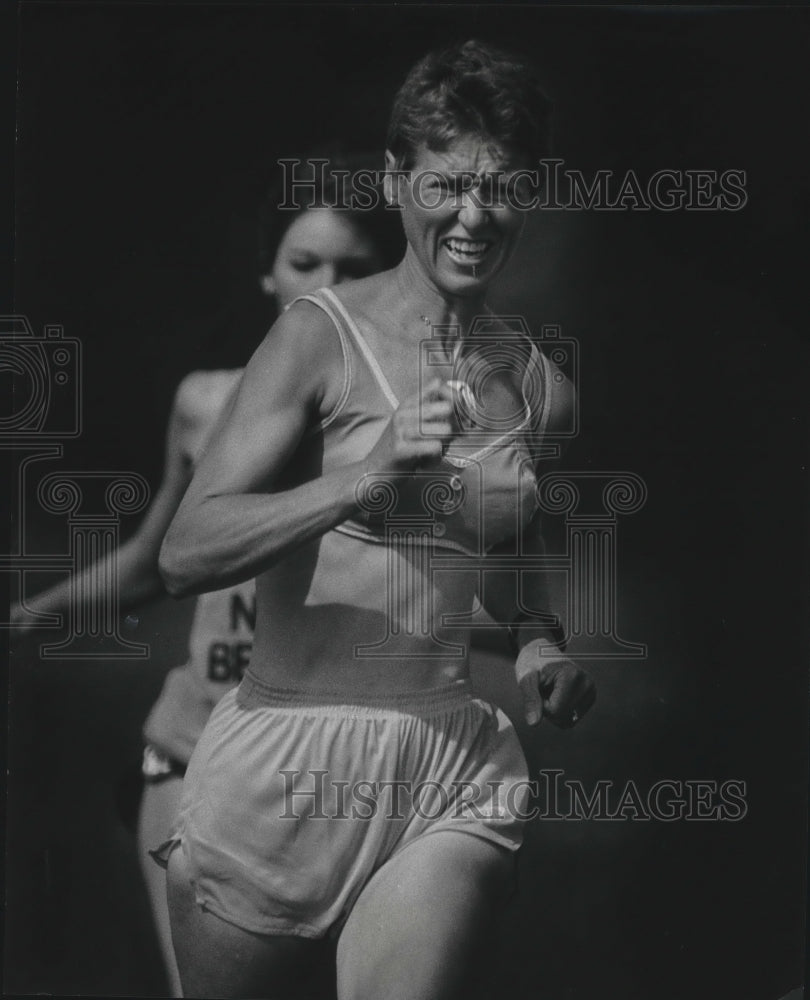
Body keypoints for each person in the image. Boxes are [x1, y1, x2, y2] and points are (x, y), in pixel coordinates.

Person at [158, 39, 596, 1000]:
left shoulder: (537, 384)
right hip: (284, 770)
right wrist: (371, 469)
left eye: (505, 187)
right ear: (398, 177)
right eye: (446, 185)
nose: (474, 215)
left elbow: (525, 531)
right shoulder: (318, 334)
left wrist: (536, 639)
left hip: (446, 760)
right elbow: (188, 551)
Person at [10, 155, 398, 997]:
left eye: (355, 269)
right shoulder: (208, 400)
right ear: (269, 272)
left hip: (334, 762)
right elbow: (158, 562)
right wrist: (29, 616)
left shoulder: (406, 427)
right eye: (306, 264)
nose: (327, 287)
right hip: (194, 748)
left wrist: (529, 633)